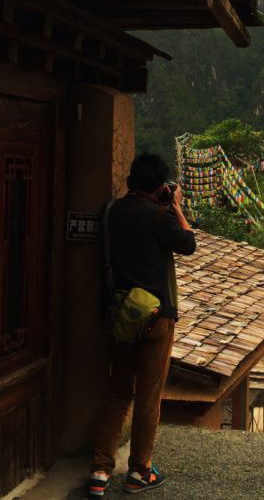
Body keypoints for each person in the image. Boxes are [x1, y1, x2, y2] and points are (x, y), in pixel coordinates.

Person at [88, 153, 196, 498]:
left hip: (119, 315)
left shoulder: (109, 213)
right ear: (160, 186)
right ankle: (139, 471)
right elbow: (188, 243)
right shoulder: (160, 216)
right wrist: (176, 205)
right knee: (148, 397)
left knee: (118, 392)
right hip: (155, 318)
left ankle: (100, 470)